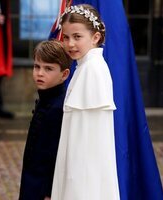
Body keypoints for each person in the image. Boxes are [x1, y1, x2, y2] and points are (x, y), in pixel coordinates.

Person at [51, 4, 120, 200]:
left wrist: (74, 173)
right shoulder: (84, 67)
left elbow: (88, 134)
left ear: (95, 37)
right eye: (66, 37)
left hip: (83, 162)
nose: (70, 43)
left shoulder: (93, 69)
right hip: (78, 157)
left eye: (77, 37)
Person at [18, 40, 72, 200]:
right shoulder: (45, 98)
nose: (40, 73)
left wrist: (49, 192)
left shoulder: (59, 107)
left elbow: (55, 154)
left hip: (42, 188)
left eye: (48, 68)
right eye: (37, 66)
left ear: (64, 74)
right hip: (31, 180)